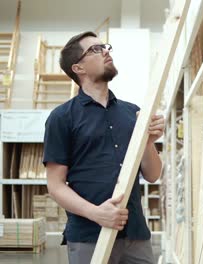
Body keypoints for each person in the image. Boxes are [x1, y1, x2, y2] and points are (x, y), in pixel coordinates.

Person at [43, 31, 164, 264]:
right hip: (89, 236)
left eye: (105, 47)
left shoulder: (132, 113)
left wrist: (148, 141)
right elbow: (55, 185)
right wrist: (96, 213)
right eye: (96, 50)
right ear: (78, 68)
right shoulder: (62, 117)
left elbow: (153, 174)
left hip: (135, 235)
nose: (106, 51)